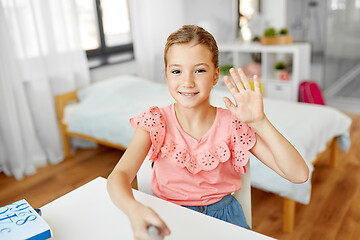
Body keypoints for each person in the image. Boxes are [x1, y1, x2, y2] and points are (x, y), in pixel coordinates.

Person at [107, 25, 309, 240]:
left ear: (215, 75)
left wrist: (261, 122)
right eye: (176, 71)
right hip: (171, 219)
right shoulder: (154, 121)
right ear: (166, 75)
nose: (188, 82)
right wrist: (134, 209)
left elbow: (298, 174)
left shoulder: (234, 124)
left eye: (200, 70)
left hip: (225, 221)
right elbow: (118, 177)